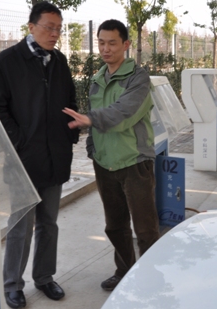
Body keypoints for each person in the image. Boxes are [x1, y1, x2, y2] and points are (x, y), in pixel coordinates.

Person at [0, 1, 78, 308]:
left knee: (49, 222)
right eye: (49, 27)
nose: (54, 34)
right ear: (31, 26)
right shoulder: (6, 62)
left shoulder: (59, 61)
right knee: (20, 227)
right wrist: (20, 141)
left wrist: (68, 135)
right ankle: (13, 284)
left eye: (58, 29)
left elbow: (70, 102)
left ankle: (44, 277)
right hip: (22, 159)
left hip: (55, 156)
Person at [63, 19, 160, 292]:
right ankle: (124, 271)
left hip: (134, 162)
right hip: (105, 164)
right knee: (115, 226)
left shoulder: (138, 78)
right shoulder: (98, 79)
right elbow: (93, 118)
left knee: (145, 229)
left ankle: (150, 280)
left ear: (126, 45)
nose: (106, 49)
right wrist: (93, 148)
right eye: (101, 43)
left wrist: (91, 119)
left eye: (112, 43)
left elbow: (125, 113)